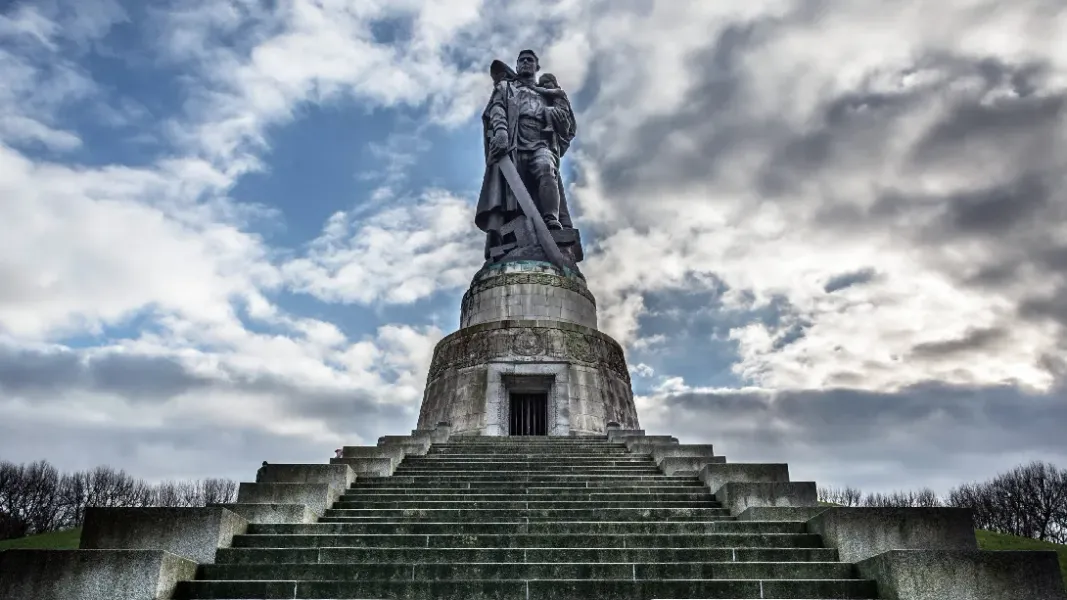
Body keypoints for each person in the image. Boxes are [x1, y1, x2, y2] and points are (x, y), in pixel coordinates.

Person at [475, 50, 576, 258]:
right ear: (518, 65)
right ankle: (516, 237)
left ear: (536, 67)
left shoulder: (547, 93)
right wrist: (501, 131)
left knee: (546, 169)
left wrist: (559, 112)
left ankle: (551, 221)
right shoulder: (506, 87)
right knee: (513, 195)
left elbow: (567, 128)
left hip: (540, 141)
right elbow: (496, 109)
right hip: (514, 144)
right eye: (522, 60)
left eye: (530, 60)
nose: (525, 63)